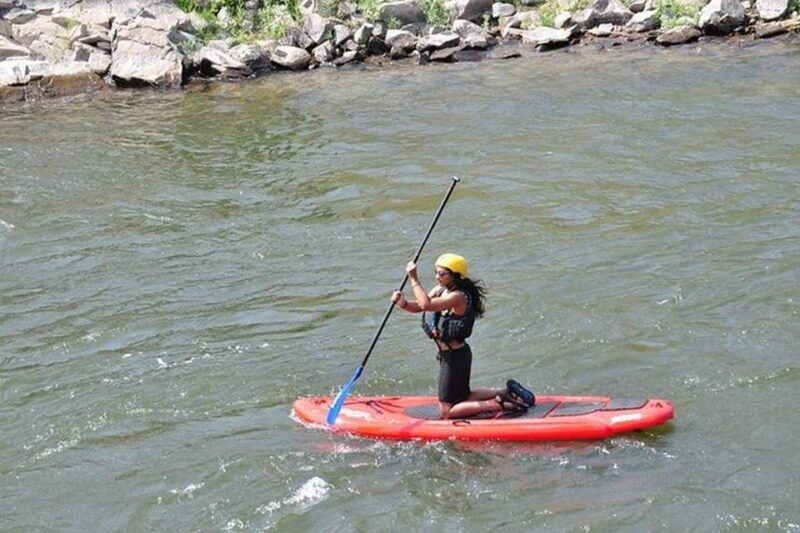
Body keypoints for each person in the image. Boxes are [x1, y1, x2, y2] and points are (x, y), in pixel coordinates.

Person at [391, 253, 535, 419]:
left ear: (455, 275)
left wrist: (414, 278)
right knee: (464, 396)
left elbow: (427, 304)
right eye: (436, 273)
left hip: (454, 357)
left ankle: (499, 403)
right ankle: (506, 392)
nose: (438, 277)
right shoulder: (441, 290)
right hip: (454, 355)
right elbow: (419, 307)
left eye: (442, 274)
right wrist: (402, 303)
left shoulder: (457, 296)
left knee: (446, 410)